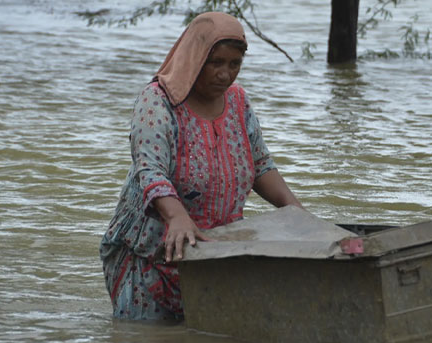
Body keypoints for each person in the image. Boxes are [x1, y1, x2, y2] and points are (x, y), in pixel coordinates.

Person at [99, 12, 302, 321]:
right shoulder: (158, 101)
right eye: (216, 62)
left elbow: (260, 164)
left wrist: (296, 212)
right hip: (149, 254)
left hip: (212, 256)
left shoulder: (238, 101)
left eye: (234, 64)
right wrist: (177, 217)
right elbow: (150, 170)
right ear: (195, 57)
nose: (225, 74)